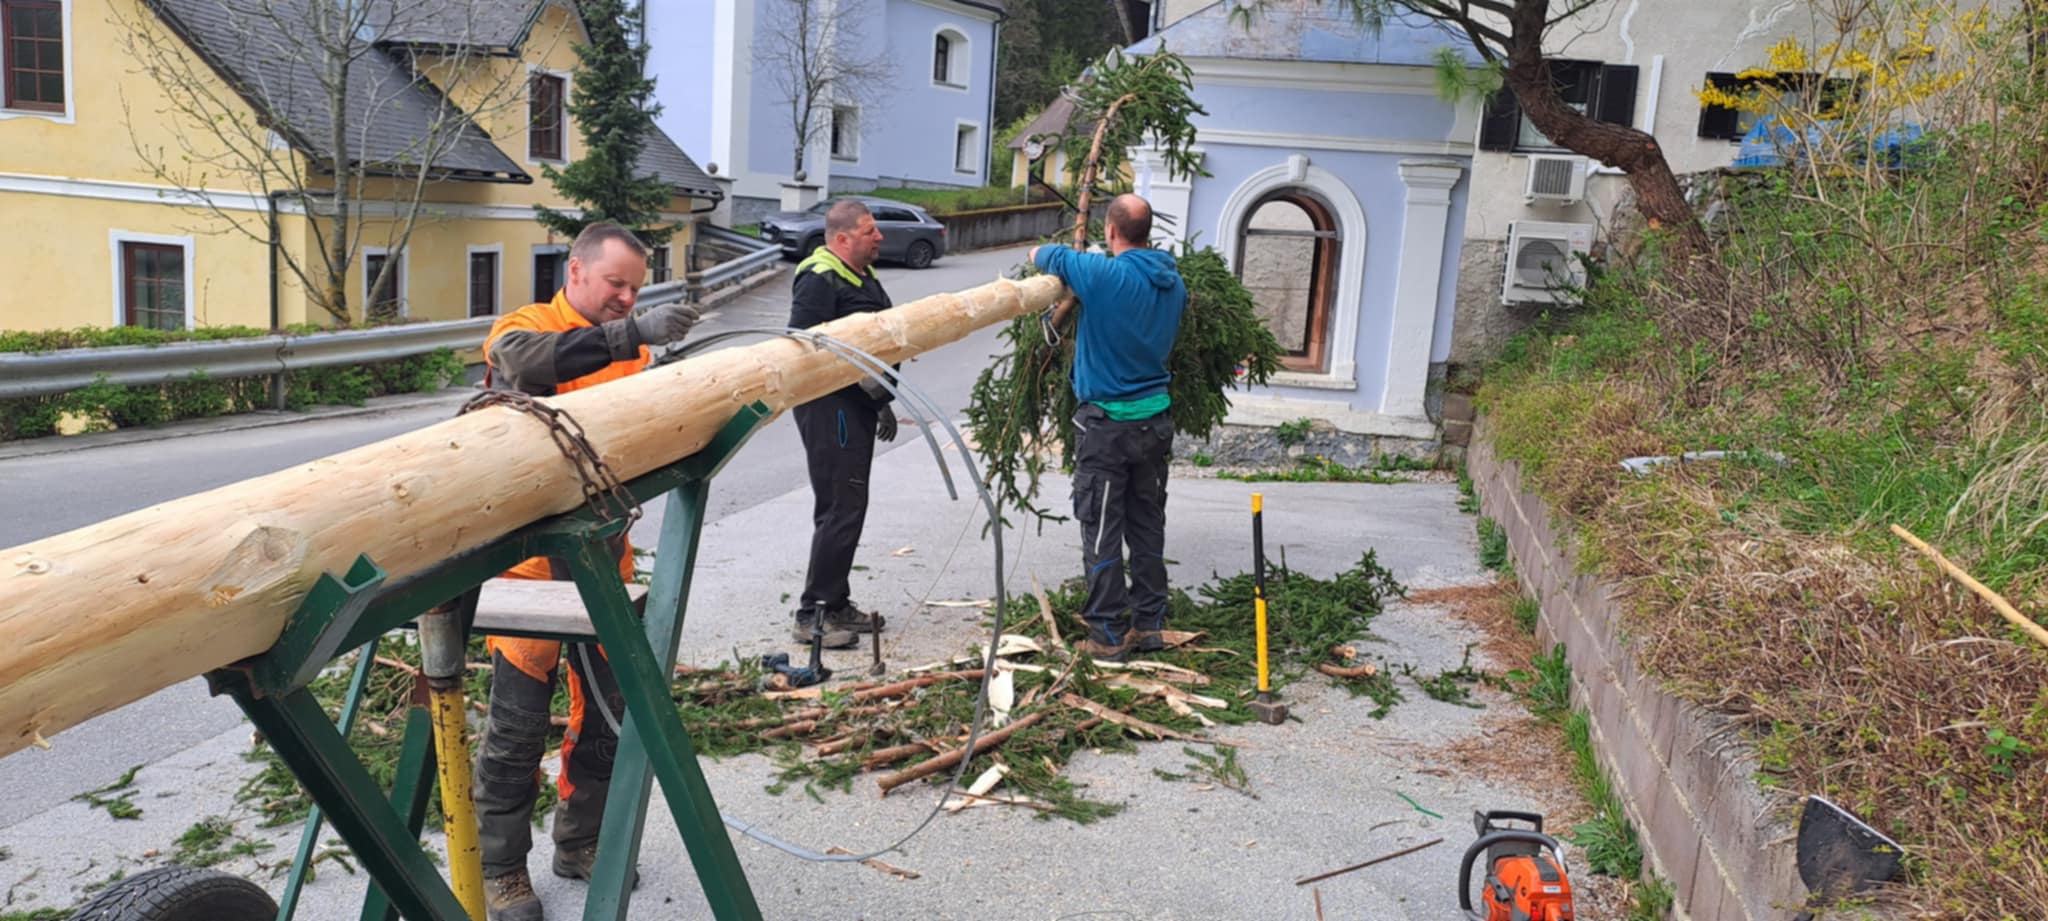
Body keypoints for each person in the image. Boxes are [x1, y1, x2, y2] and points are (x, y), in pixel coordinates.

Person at [473, 221, 702, 921]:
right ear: (575, 271)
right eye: (616, 284)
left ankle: (580, 840)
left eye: (636, 287)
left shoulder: (630, 354)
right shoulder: (528, 327)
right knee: (516, 726)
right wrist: (630, 334)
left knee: (606, 717)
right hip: (529, 568)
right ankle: (500, 869)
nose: (626, 297)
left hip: (605, 557)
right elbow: (524, 363)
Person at [1028, 194, 1188, 661]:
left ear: (1112, 232)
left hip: (1107, 426)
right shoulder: (1171, 282)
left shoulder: (1104, 275)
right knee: (1146, 522)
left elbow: (1045, 255)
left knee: (1100, 527)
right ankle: (1150, 624)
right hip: (1155, 422)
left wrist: (1050, 260)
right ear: (1148, 232)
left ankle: (1107, 635)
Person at [787, 199, 898, 649]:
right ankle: (812, 614)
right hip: (829, 408)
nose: (880, 237)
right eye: (870, 231)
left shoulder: (858, 273)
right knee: (840, 507)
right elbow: (805, 348)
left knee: (847, 506)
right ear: (842, 239)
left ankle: (835, 603)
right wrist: (872, 391)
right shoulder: (818, 279)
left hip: (854, 407)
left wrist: (881, 399)